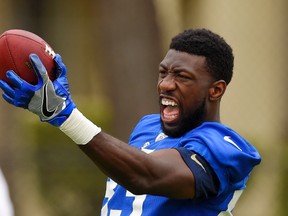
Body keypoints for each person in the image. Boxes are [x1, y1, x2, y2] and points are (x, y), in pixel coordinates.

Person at [0, 28, 261, 215]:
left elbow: (144, 176)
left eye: (182, 76)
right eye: (163, 73)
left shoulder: (227, 148)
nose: (165, 84)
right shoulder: (148, 127)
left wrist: (65, 115)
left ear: (215, 90)